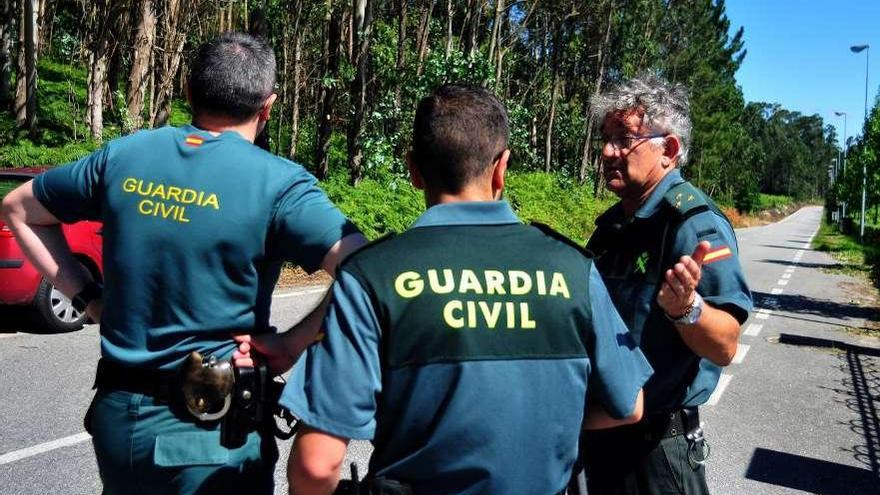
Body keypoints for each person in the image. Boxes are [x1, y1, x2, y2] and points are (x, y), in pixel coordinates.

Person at [1, 32, 364, 494]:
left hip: (119, 422)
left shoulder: (124, 155)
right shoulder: (281, 186)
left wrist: (90, 300)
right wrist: (293, 342)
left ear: (188, 92)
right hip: (212, 433)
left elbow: (18, 209)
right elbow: (368, 271)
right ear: (268, 106)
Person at [278, 84, 654, 495]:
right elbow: (628, 406)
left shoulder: (372, 275)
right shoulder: (572, 268)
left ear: (414, 171)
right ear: (502, 168)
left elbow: (316, 466)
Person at [580, 72, 753, 494]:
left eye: (624, 139)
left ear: (668, 150)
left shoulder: (693, 226)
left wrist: (686, 309)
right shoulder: (612, 227)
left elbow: (725, 344)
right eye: (606, 138)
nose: (607, 151)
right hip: (602, 439)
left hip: (656, 453)